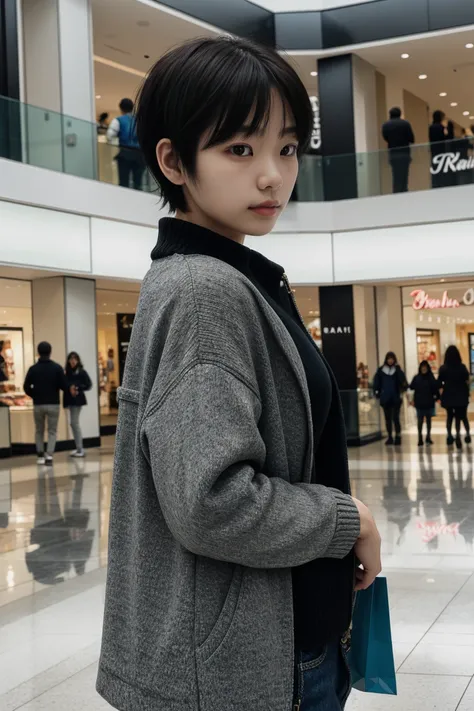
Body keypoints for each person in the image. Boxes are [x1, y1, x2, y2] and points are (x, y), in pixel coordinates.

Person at [96, 36, 382, 711]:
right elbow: (212, 502)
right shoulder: (206, 291)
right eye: (239, 149)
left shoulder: (224, 278)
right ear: (173, 159)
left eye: (286, 148)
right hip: (244, 673)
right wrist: (347, 518)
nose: (272, 177)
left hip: (269, 647)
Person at [23, 342, 68, 465]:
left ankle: (40, 455)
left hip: (38, 404)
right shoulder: (57, 368)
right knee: (52, 430)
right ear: (50, 352)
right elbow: (64, 386)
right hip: (53, 403)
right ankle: (49, 456)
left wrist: (34, 394)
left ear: (38, 352)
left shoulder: (33, 369)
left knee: (39, 430)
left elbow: (26, 386)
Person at [106, 98, 146, 190]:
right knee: (138, 182)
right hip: (140, 155)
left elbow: (110, 135)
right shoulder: (139, 120)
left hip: (125, 154)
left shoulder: (118, 120)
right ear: (132, 108)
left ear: (121, 109)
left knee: (124, 182)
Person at [438, 345, 471, 449]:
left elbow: (439, 382)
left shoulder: (443, 368)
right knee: (462, 416)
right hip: (461, 395)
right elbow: (467, 378)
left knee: (450, 416)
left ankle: (449, 436)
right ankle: (463, 435)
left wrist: (442, 389)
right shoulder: (462, 367)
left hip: (448, 395)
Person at [373, 351, 408, 446]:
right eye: (389, 358)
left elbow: (404, 382)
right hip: (385, 398)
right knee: (387, 419)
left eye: (392, 358)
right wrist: (377, 393)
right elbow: (376, 383)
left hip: (396, 398)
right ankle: (390, 437)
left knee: (395, 418)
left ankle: (398, 436)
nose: (390, 360)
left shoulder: (397, 370)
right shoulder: (381, 371)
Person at [64, 352, 92, 458]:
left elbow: (89, 385)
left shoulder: (81, 372)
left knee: (74, 423)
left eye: (75, 359)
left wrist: (77, 388)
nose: (73, 361)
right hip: (69, 401)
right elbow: (64, 384)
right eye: (71, 359)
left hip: (77, 400)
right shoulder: (67, 372)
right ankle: (78, 448)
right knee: (73, 423)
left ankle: (80, 449)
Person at [382, 107, 415, 193]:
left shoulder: (385, 125)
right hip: (404, 153)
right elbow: (412, 139)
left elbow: (385, 138)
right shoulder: (405, 124)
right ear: (400, 114)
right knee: (404, 177)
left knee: (395, 177)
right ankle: (404, 194)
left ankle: (396, 194)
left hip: (393, 154)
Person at [409, 360, 439, 446]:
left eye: (425, 367)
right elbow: (411, 387)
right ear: (420, 368)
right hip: (420, 402)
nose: (424, 368)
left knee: (428, 421)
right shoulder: (417, 377)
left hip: (429, 402)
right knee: (420, 420)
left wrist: (437, 397)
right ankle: (420, 438)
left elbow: (435, 388)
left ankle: (428, 437)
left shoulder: (430, 377)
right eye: (422, 367)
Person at [429, 110, 447, 188]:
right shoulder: (441, 127)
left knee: (435, 168)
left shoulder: (431, 127)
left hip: (434, 151)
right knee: (442, 168)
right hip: (442, 150)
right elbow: (444, 138)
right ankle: (442, 185)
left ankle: (435, 185)